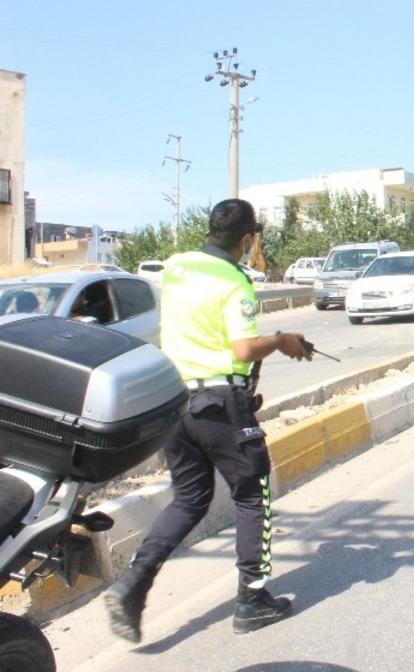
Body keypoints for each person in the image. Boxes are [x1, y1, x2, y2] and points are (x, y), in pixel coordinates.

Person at [105, 199, 312, 643]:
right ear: (247, 238)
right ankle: (252, 601)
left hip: (175, 401)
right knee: (253, 494)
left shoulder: (177, 266)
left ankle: (132, 585)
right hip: (221, 403)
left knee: (189, 499)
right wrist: (280, 340)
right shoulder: (235, 281)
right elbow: (241, 349)